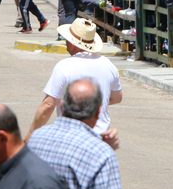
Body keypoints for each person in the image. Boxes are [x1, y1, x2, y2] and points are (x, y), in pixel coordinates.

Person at [27, 18, 123, 147]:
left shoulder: (64, 66)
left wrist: (29, 137)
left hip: (71, 139)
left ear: (73, 43)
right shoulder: (108, 65)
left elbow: (48, 105)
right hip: (101, 140)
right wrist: (90, 104)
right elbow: (117, 98)